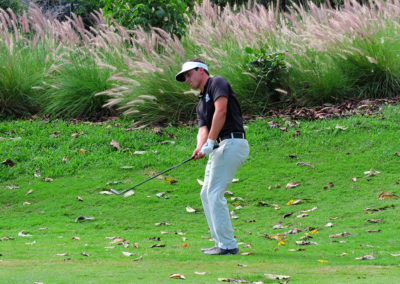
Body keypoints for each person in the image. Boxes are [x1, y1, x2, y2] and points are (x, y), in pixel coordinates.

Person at [175, 59, 249, 255]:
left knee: (215, 193)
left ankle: (228, 245)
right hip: (220, 146)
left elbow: (221, 111)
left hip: (232, 142)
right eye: (185, 77)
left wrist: (211, 141)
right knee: (205, 193)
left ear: (201, 70)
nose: (187, 79)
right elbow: (203, 129)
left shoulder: (217, 83)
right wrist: (200, 147)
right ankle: (220, 243)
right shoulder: (200, 104)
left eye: (189, 74)